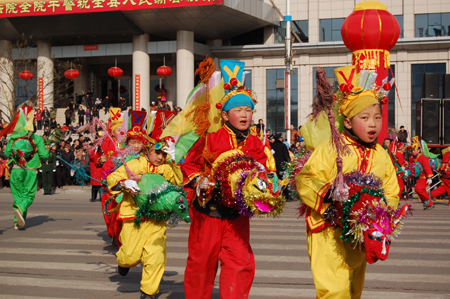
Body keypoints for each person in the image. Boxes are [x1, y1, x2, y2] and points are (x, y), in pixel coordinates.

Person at [296, 71, 399, 298]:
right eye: (365, 118)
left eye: (377, 117)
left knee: (353, 290)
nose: (373, 124)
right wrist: (330, 194)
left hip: (359, 235)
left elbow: (392, 189)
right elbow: (305, 178)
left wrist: (380, 214)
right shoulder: (333, 148)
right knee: (334, 291)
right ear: (349, 123)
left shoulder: (381, 155)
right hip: (327, 230)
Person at [182, 60, 276, 299]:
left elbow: (265, 171)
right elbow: (189, 166)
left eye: (248, 110)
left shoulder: (256, 143)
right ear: (224, 115)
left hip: (237, 218)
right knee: (201, 266)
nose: (244, 115)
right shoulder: (210, 139)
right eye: (238, 110)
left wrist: (264, 188)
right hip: (208, 214)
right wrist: (199, 182)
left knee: (240, 264)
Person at [106, 132, 181, 299]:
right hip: (133, 218)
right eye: (157, 152)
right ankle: (123, 262)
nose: (161, 157)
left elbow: (179, 182)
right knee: (129, 257)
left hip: (157, 219)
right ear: (146, 150)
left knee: (156, 257)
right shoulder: (133, 164)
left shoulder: (167, 168)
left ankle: (149, 291)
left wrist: (176, 162)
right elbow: (112, 179)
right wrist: (125, 183)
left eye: (164, 154)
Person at [3, 106, 49, 229]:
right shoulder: (36, 138)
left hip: (16, 169)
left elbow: (7, 153)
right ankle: (21, 211)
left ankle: (17, 221)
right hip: (31, 170)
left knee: (18, 195)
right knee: (28, 195)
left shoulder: (13, 138)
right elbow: (45, 155)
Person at [410, 138, 435, 210]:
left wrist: (429, 177)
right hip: (418, 178)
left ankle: (427, 200)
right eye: (412, 150)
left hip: (423, 177)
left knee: (418, 189)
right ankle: (428, 203)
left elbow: (427, 167)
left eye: (415, 150)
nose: (413, 151)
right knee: (418, 190)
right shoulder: (414, 158)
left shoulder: (423, 158)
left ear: (419, 150)